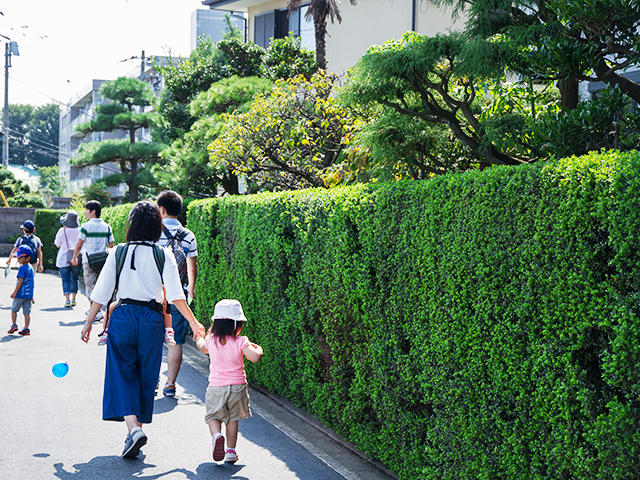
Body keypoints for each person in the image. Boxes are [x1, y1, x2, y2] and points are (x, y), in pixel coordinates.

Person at [80, 201, 205, 459]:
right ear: (156, 226)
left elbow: (101, 292)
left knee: (122, 372)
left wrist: (88, 322)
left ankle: (133, 429)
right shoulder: (164, 254)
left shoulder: (119, 252)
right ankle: (136, 431)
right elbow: (175, 296)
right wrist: (194, 322)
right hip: (152, 318)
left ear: (132, 224)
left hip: (123, 316)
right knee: (147, 374)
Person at [195, 299, 264, 463]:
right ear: (237, 324)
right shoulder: (241, 341)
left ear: (216, 323)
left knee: (213, 416)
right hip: (237, 387)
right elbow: (254, 357)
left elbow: (202, 347)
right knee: (232, 419)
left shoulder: (211, 340)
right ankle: (231, 451)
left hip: (216, 386)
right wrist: (259, 349)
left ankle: (216, 435)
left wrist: (199, 336)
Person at [157, 190, 198, 398]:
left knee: (154, 339)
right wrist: (190, 289)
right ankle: (171, 384)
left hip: (155, 295)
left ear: (161, 209)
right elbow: (192, 267)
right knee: (176, 341)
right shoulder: (188, 235)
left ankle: (152, 379)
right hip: (178, 296)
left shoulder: (153, 231)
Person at [72, 200, 114, 321]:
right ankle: (96, 310)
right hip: (103, 261)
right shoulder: (107, 226)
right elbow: (111, 246)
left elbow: (79, 245)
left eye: (86, 210)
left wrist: (74, 257)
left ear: (93, 212)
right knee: (100, 285)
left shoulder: (86, 226)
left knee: (90, 285)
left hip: (88, 261)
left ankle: (96, 311)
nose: (85, 212)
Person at [54, 210, 81, 308]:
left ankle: (67, 300)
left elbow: (57, 244)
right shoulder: (80, 230)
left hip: (63, 258)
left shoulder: (62, 230)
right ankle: (74, 299)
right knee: (75, 278)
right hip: (77, 258)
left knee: (65, 280)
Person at [8, 246, 35, 336]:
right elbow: (31, 282)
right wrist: (32, 294)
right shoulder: (31, 268)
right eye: (17, 257)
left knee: (14, 310)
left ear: (28, 258)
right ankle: (26, 328)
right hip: (28, 295)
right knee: (26, 312)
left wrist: (14, 292)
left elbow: (20, 280)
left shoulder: (22, 268)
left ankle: (14, 324)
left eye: (20, 257)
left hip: (20, 294)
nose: (18, 259)